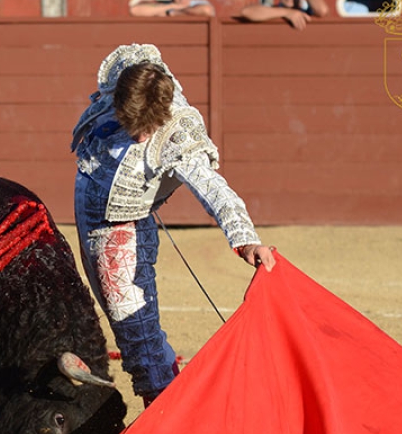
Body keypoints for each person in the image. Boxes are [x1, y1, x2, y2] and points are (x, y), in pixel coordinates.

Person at [71, 44, 276, 407]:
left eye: (146, 127)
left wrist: (246, 240)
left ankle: (167, 417)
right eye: (131, 122)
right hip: (91, 218)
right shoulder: (129, 78)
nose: (139, 136)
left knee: (137, 334)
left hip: (121, 233)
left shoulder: (179, 129)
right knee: (125, 326)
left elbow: (214, 188)